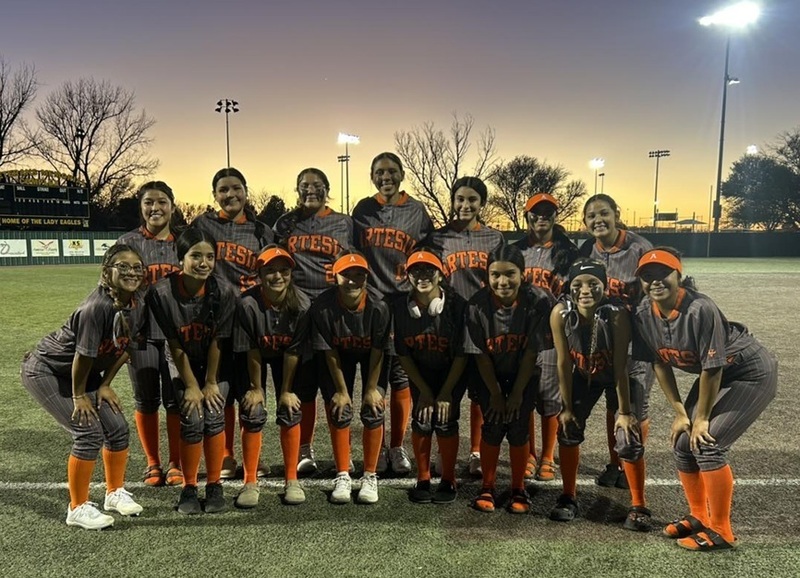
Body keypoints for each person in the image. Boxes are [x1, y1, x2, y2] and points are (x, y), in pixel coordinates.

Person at [633, 248, 777, 551]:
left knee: (707, 442)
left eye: (663, 274)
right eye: (648, 277)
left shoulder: (700, 309)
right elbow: (658, 363)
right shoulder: (644, 312)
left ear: (679, 276)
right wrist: (680, 414)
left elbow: (712, 369)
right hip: (717, 373)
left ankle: (722, 530)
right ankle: (699, 515)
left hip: (749, 372)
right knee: (683, 443)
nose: (656, 282)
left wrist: (701, 419)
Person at [21, 244, 147, 530]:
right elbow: (83, 355)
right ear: (106, 271)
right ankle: (76, 508)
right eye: (123, 266)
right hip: (48, 370)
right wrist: (79, 396)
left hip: (84, 372)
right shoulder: (97, 307)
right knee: (88, 431)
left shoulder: (137, 303)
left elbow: (127, 348)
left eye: (137, 267)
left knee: (117, 428)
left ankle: (114, 493)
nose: (131, 272)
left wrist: (104, 384)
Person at [548, 258, 650, 531]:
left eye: (593, 284)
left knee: (628, 436)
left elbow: (619, 366)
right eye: (577, 284)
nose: (585, 290)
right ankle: (568, 496)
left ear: (604, 287)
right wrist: (567, 407)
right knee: (567, 429)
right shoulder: (560, 312)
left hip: (621, 374)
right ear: (568, 286)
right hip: (584, 373)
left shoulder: (615, 315)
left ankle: (638, 504)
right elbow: (562, 363)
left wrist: (625, 412)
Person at [352, 152, 433, 475]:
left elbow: (426, 257)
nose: (386, 177)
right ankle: (379, 446)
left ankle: (397, 447)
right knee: (374, 375)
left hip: (402, 303)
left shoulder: (416, 210)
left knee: (400, 375)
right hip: (370, 304)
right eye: (379, 172)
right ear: (372, 176)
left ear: (402, 174)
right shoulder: (363, 209)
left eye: (391, 171)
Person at [146, 228, 238, 514]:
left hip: (215, 362)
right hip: (182, 359)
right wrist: (191, 384)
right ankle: (189, 487)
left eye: (210, 257)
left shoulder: (224, 291)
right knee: (191, 415)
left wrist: (209, 383)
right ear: (181, 258)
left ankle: (214, 486)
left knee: (213, 413)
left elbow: (218, 341)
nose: (204, 263)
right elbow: (174, 344)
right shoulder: (161, 292)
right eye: (195, 255)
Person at [191, 167, 274, 480]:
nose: (230, 195)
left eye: (236, 188)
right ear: (214, 196)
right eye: (223, 190)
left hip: (251, 322)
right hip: (215, 324)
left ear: (246, 191)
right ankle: (226, 455)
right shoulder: (203, 224)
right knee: (221, 393)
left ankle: (254, 456)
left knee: (252, 389)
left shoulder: (262, 231)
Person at [274, 168, 354, 476]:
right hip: (298, 312)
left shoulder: (345, 223)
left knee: (335, 382)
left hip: (334, 309)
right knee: (304, 384)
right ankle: (305, 449)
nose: (311, 190)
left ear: (327, 188)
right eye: (305, 185)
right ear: (296, 189)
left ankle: (343, 459)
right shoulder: (285, 223)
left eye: (317, 185)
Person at [424, 176, 504, 477]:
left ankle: (476, 451)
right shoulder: (438, 238)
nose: (465, 205)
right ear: (452, 201)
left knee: (481, 392)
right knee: (449, 392)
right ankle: (444, 456)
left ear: (481, 203)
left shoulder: (494, 238)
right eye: (460, 199)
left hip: (484, 322)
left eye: (472, 200)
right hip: (450, 322)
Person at [465, 244, 552, 514]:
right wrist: (494, 394)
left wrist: (515, 394)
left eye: (510, 274)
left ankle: (518, 488)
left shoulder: (538, 300)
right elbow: (480, 356)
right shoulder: (477, 304)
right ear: (487, 276)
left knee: (517, 427)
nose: (502, 282)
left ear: (523, 274)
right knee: (492, 424)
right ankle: (487, 486)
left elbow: (530, 353)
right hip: (488, 373)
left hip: (522, 373)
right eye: (495, 275)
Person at [580, 193, 653, 489]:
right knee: (615, 404)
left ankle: (630, 464)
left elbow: (653, 295)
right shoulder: (587, 250)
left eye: (604, 213)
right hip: (603, 345)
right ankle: (615, 462)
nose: (598, 220)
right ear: (585, 223)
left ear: (616, 213)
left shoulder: (639, 248)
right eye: (591, 216)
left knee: (635, 405)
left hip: (637, 344)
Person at [234, 245, 313, 507]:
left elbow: (293, 352)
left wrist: (286, 391)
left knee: (290, 408)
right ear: (259, 273)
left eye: (283, 270)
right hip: (255, 356)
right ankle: (250, 480)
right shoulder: (247, 304)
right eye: (270, 271)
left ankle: (291, 479)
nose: (277, 276)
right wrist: (257, 387)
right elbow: (252, 349)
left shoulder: (301, 304)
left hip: (286, 358)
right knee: (253, 409)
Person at [117, 181, 183, 488]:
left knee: (176, 400)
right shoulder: (127, 243)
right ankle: (153, 463)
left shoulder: (185, 241)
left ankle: (176, 463)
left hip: (177, 334)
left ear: (172, 204)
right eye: (148, 202)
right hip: (141, 334)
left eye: (161, 202)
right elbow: (113, 291)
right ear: (140, 207)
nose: (155, 208)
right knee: (146, 400)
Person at [311, 251, 390, 504]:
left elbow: (379, 350)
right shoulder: (323, 306)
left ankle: (369, 474)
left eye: (359, 274)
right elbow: (330, 352)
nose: (353, 280)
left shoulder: (379, 305)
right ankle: (343, 473)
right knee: (339, 408)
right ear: (335, 277)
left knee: (374, 407)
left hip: (372, 356)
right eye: (347, 274)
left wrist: (371, 389)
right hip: (339, 356)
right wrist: (342, 391)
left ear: (367, 277)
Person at [391, 250, 468, 504]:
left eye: (429, 271)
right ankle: (423, 477)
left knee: (445, 420)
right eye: (416, 271)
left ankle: (448, 478)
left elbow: (460, 355)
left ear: (440, 274)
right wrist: (424, 390)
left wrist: (445, 392)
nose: (422, 277)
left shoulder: (457, 307)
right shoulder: (402, 308)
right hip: (420, 370)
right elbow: (403, 355)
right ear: (408, 276)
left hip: (451, 370)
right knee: (422, 419)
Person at [513, 192, 579, 483]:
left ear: (555, 215)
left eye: (547, 212)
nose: (542, 217)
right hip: (521, 333)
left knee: (551, 399)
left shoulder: (568, 252)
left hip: (554, 336)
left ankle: (548, 456)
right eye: (535, 212)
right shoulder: (515, 250)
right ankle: (529, 452)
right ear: (526, 216)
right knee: (526, 394)